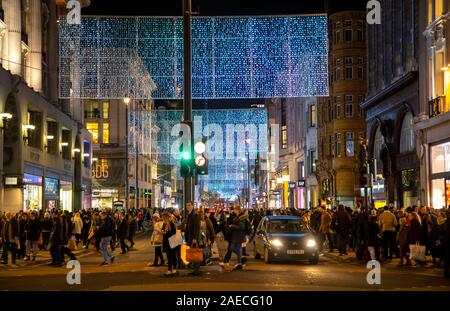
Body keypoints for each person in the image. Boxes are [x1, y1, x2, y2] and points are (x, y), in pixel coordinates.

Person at [182, 201, 202, 276]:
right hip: (190, 237)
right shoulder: (190, 214)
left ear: (193, 205)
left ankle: (196, 270)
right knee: (193, 252)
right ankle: (194, 269)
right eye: (187, 205)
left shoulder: (195, 214)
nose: (188, 206)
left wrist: (195, 238)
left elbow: (196, 227)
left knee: (195, 253)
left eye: (189, 205)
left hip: (193, 237)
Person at [227, 206, 247, 271]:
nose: (234, 211)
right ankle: (240, 261)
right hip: (236, 236)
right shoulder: (238, 216)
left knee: (233, 248)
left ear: (238, 210)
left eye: (235, 210)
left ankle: (240, 263)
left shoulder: (241, 217)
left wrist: (232, 226)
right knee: (234, 248)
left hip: (239, 236)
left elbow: (241, 227)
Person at [162, 212, 178, 277]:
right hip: (167, 242)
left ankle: (173, 269)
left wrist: (166, 233)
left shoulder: (172, 223)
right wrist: (163, 232)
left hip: (171, 241)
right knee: (169, 256)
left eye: (163, 217)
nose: (163, 218)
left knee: (172, 255)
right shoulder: (165, 223)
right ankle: (170, 269)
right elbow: (163, 230)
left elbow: (174, 232)